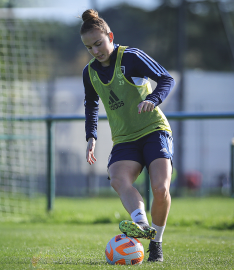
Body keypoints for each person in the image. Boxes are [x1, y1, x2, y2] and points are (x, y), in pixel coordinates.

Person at [80, 9, 174, 262]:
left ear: (110, 36)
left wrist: (153, 99)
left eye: (99, 43)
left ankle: (157, 243)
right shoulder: (89, 72)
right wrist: (92, 136)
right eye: (90, 47)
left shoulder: (131, 57)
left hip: (154, 130)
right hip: (124, 139)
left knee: (160, 187)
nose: (96, 51)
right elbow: (91, 104)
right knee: (118, 179)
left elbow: (166, 78)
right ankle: (142, 224)